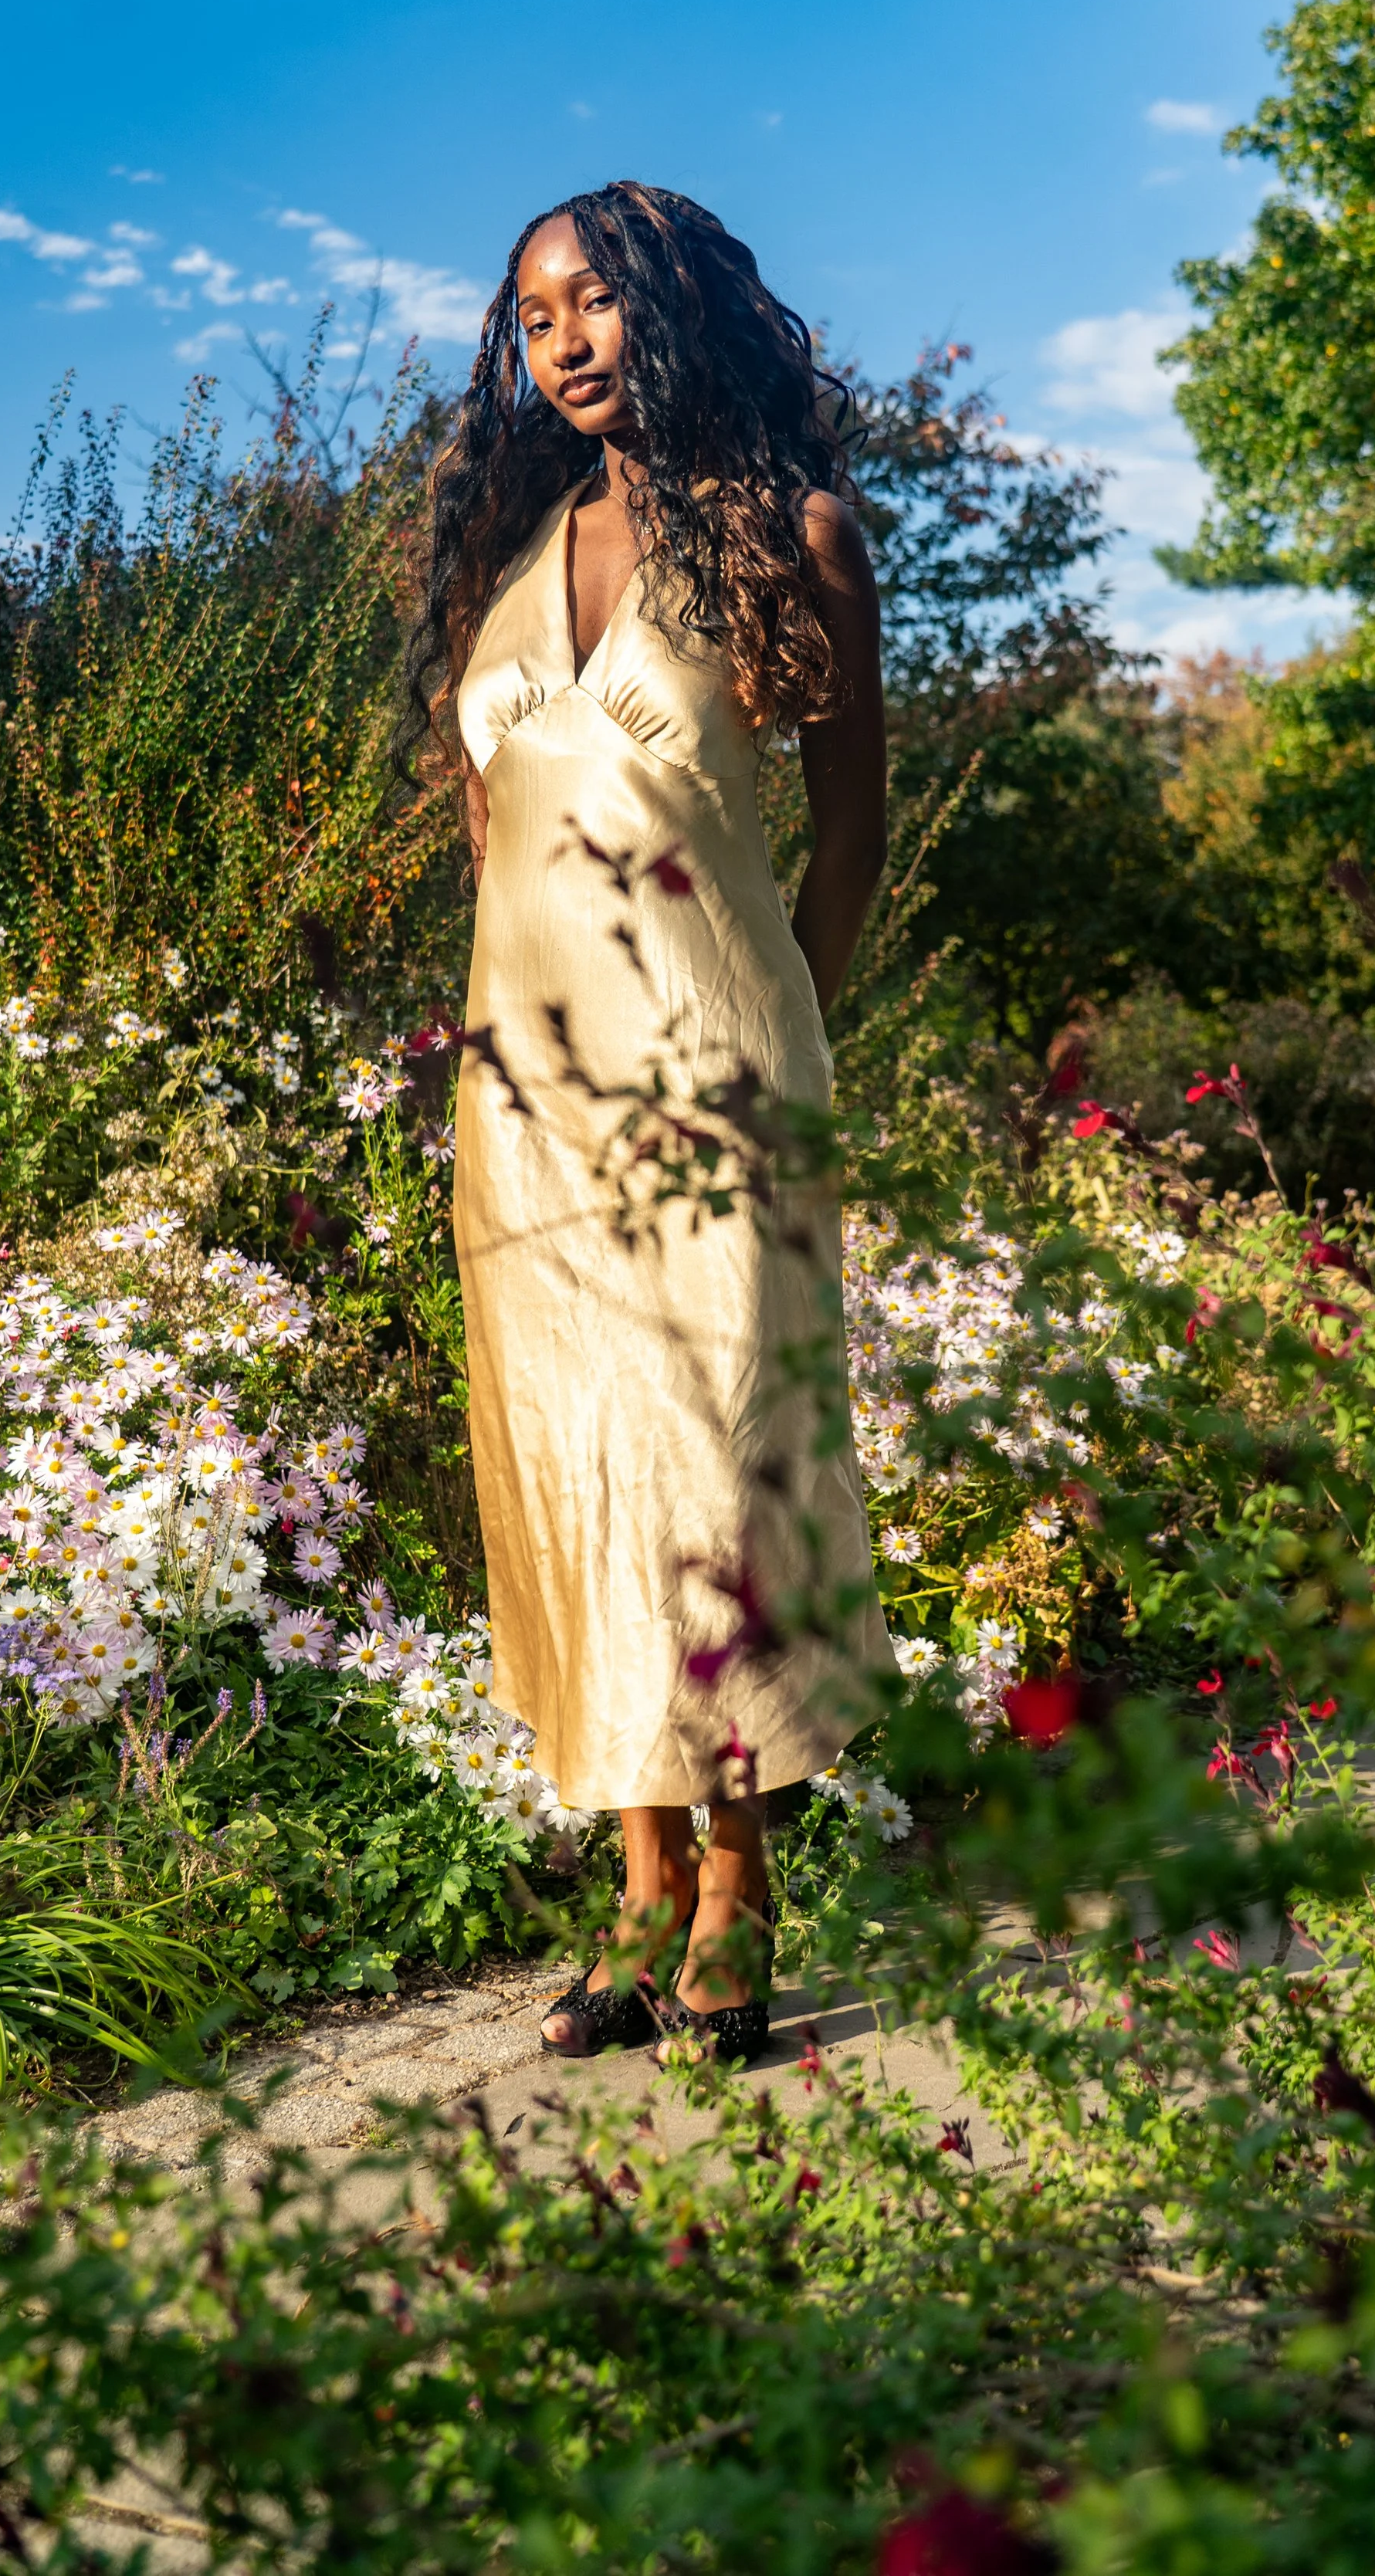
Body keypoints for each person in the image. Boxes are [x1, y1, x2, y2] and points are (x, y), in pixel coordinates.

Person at [398, 181, 892, 2058]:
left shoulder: (800, 539)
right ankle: (630, 1874)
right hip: (524, 1105)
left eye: (597, 298)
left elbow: (844, 840)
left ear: (672, 307)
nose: (567, 337)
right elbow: (493, 846)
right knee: (568, 1466)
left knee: (713, 1468)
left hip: (718, 1090)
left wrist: (787, 1050)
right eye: (535, 316)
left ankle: (736, 1883)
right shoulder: (503, 559)